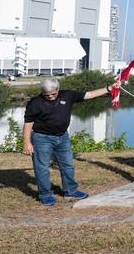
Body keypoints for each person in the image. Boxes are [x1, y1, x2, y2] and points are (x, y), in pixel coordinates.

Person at [22, 76, 119, 205]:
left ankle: (70, 191)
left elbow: (89, 94)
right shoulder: (35, 103)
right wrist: (26, 143)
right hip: (42, 139)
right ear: (42, 92)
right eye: (47, 95)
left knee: (67, 165)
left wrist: (109, 88)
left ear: (58, 89)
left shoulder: (68, 95)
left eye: (53, 94)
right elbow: (28, 123)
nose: (50, 96)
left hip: (62, 137)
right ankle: (45, 194)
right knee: (42, 168)